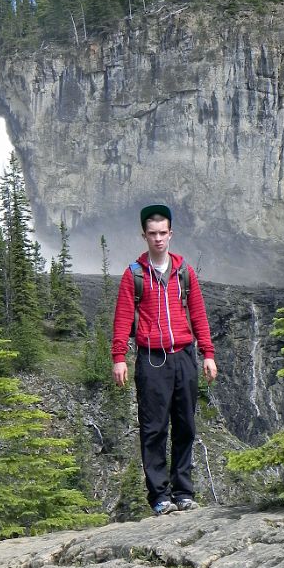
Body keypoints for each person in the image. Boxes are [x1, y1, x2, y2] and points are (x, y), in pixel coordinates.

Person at [112, 204, 217, 515]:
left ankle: (183, 491)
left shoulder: (185, 272)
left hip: (184, 356)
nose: (158, 239)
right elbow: (121, 319)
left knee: (185, 426)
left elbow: (198, 314)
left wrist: (207, 353)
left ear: (171, 234)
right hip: (150, 360)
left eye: (163, 233)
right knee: (154, 428)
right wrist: (119, 357)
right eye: (152, 233)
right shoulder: (134, 275)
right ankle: (160, 496)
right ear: (144, 235)